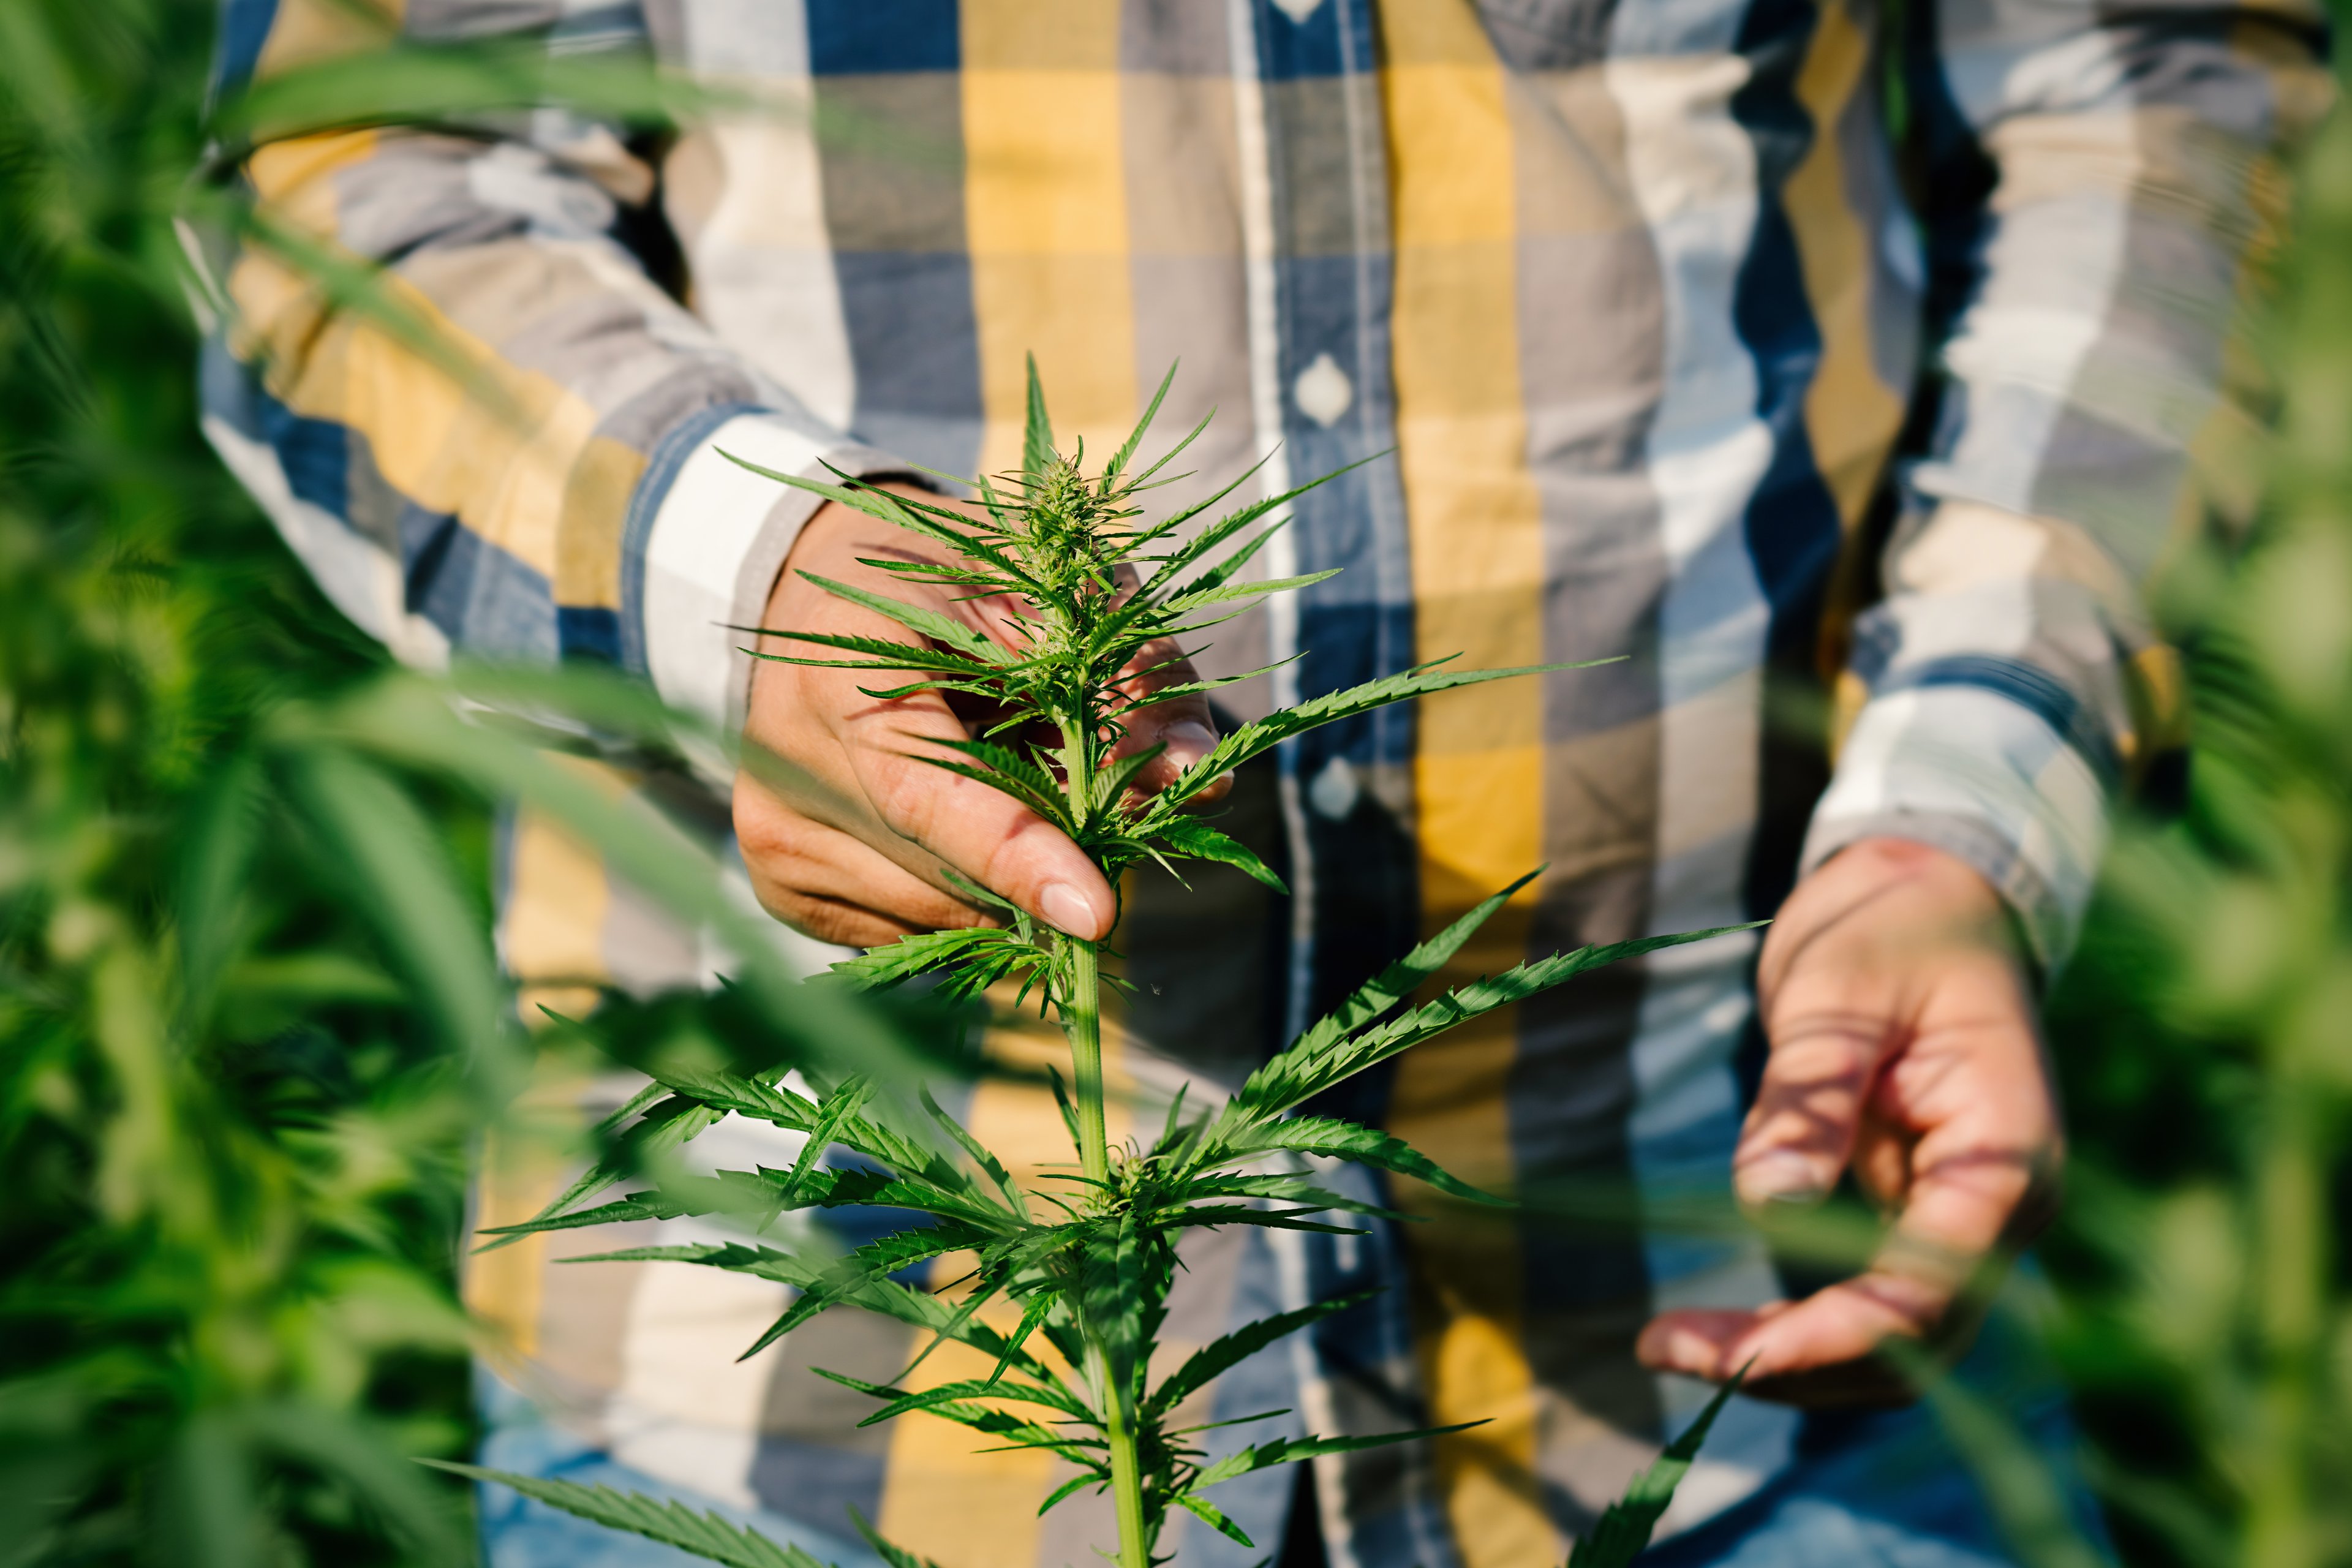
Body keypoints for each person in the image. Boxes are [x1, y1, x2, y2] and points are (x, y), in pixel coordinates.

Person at [196, 0, 2323, 1562]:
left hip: (1739, 1314)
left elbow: (2138, 77)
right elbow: (347, 162)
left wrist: (1971, 793)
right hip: (822, 1406)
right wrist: (751, 578)